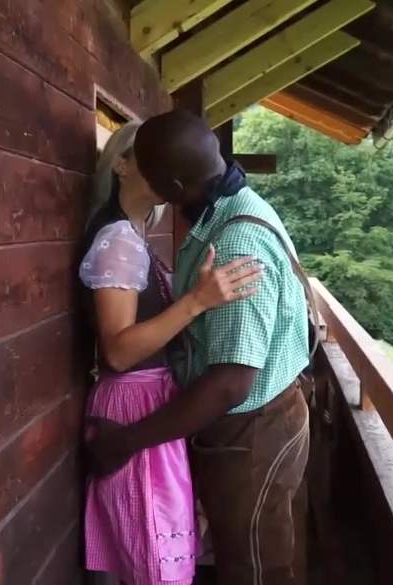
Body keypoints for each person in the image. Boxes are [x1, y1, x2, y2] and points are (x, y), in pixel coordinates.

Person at [88, 111, 311, 584]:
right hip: (258, 422)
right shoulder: (231, 208)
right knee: (249, 553)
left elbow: (231, 382)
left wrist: (125, 442)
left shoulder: (236, 245)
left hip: (253, 432)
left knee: (251, 568)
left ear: (171, 185)